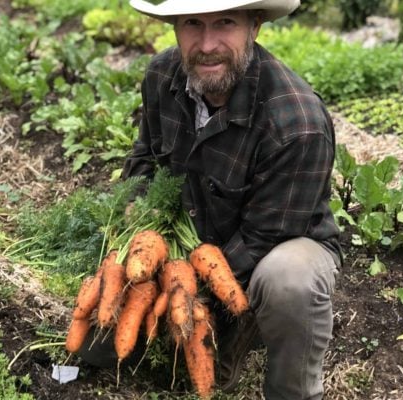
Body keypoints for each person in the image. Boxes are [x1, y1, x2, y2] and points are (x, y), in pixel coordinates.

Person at [82, 1, 343, 399]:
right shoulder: (160, 75)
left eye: (224, 23)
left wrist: (186, 293)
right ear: (174, 27)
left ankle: (286, 381)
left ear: (253, 26)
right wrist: (138, 237)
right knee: (96, 346)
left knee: (289, 282)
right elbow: (143, 159)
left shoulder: (296, 122)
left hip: (275, 244)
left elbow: (262, 239)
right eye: (192, 24)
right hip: (187, 237)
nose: (207, 44)